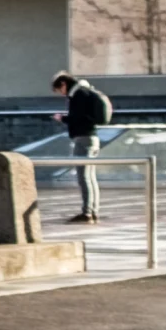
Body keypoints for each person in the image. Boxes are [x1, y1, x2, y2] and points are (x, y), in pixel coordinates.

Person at [53, 71, 114, 223]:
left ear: (63, 84)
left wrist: (63, 118)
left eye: (59, 90)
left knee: (84, 177)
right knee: (90, 177)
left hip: (84, 139)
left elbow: (79, 118)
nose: (61, 94)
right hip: (91, 138)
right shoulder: (85, 92)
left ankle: (87, 213)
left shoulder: (78, 95)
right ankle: (93, 211)